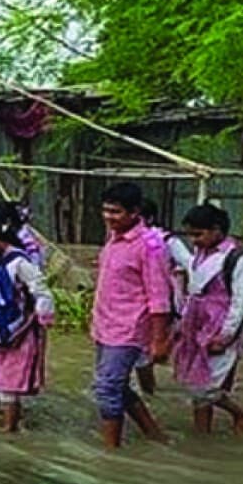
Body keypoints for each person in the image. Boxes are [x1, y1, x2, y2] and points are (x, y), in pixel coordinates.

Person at [91, 183, 172, 448]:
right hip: (105, 326)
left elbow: (159, 296)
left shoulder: (150, 245)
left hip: (129, 328)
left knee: (106, 389)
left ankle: (111, 450)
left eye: (115, 212)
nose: (108, 217)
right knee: (117, 387)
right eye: (105, 210)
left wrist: (160, 340)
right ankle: (155, 435)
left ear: (135, 212)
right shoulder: (113, 238)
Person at [0, 203, 55, 432]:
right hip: (3, 330)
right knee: (6, 379)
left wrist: (40, 321)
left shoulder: (19, 262)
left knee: (8, 381)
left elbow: (42, 292)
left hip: (22, 330)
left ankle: (9, 430)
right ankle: (11, 425)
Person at [173, 204, 243, 435]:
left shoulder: (238, 259)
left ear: (217, 230)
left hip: (220, 328)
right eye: (191, 235)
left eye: (198, 234)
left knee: (205, 387)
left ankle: (239, 413)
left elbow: (240, 301)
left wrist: (226, 336)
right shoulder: (200, 255)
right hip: (196, 326)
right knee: (196, 382)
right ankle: (202, 435)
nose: (194, 240)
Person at [133, 198, 193, 395]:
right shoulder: (125, 240)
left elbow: (191, 264)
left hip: (163, 305)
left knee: (149, 352)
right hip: (136, 306)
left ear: (149, 218)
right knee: (141, 353)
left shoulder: (167, 241)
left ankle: (150, 392)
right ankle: (148, 392)